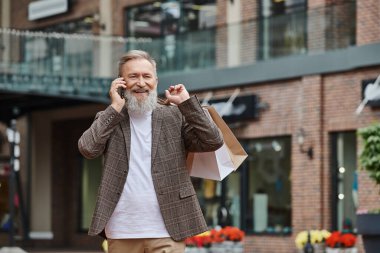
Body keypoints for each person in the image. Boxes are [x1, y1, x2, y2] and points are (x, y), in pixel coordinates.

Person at [78, 50, 223, 253]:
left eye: (146, 76)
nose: (141, 82)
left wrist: (187, 104)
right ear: (121, 82)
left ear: (156, 80)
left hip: (168, 228)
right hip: (122, 230)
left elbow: (213, 141)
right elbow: (87, 148)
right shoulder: (110, 117)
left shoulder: (174, 115)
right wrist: (114, 107)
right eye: (133, 76)